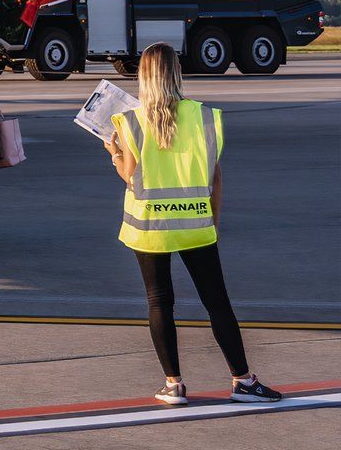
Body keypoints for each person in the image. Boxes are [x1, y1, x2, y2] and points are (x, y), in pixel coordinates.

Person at [105, 42, 281, 406]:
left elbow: (130, 177)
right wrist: (212, 222)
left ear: (143, 76)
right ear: (176, 73)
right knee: (217, 302)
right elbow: (215, 178)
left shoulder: (129, 121)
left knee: (159, 302)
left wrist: (116, 154)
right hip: (196, 224)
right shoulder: (205, 116)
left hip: (149, 226)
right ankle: (243, 380)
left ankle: (173, 385)